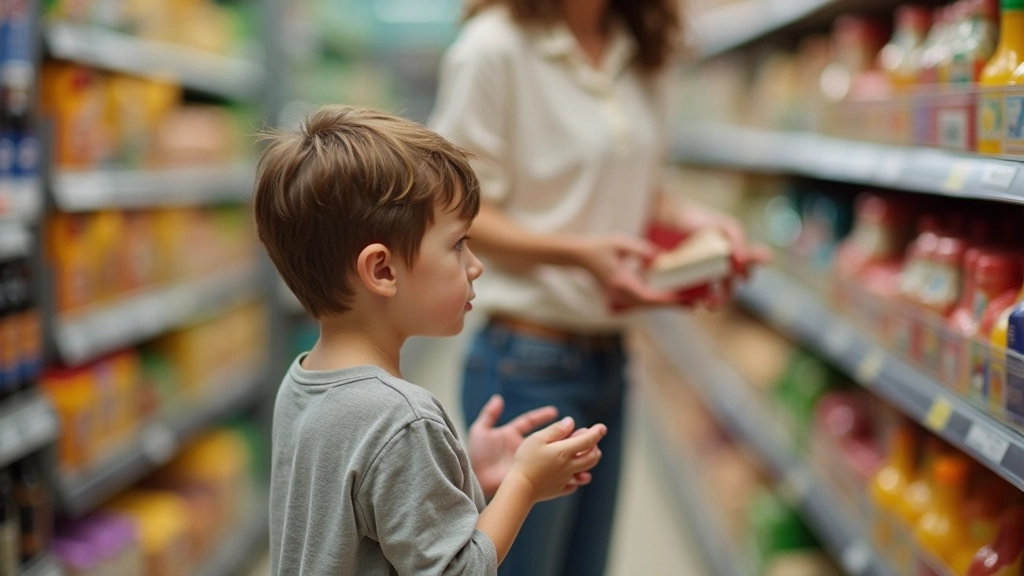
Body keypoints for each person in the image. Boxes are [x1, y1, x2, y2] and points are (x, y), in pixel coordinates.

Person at [429, 1, 764, 575]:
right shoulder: (493, 49)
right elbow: (453, 207)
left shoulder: (643, 47)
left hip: (610, 357)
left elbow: (639, 185)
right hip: (527, 363)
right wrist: (580, 256)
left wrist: (697, 225)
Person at [256, 105, 610, 576]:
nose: (474, 265)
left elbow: (361, 523)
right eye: (458, 243)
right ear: (382, 270)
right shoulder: (401, 418)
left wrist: (466, 480)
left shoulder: (302, 383)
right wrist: (523, 484)